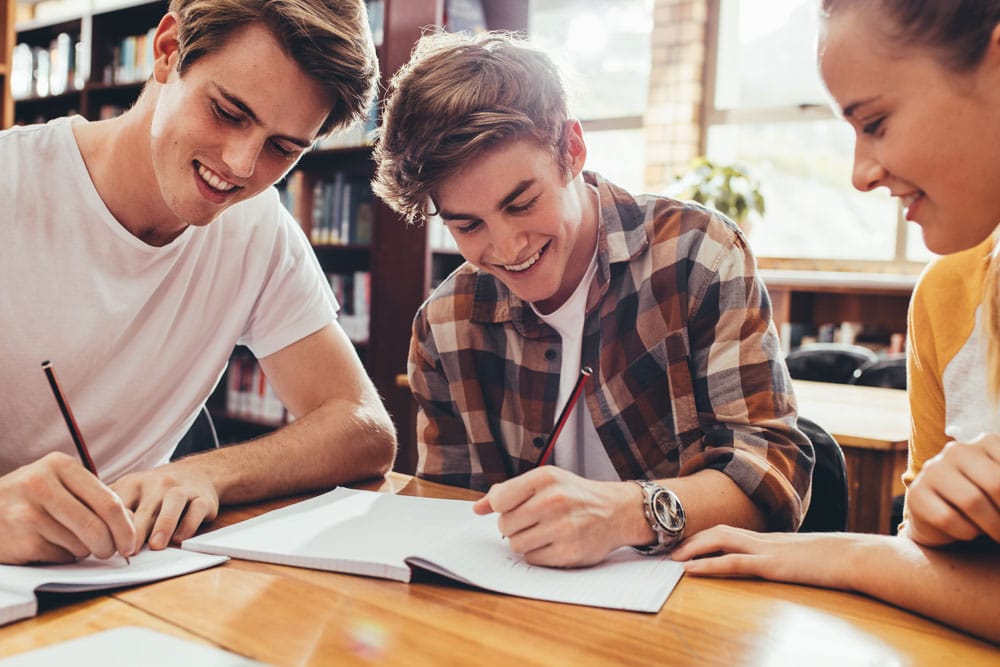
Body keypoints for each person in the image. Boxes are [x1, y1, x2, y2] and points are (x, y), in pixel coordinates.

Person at [371, 31, 814, 569]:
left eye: (523, 202)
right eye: (468, 226)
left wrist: (628, 513)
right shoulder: (445, 325)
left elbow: (774, 478)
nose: (507, 248)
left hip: (689, 611)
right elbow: (449, 515)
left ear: (573, 150)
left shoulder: (696, 256)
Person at [0, 0, 397, 565]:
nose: (241, 165)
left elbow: (363, 428)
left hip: (130, 576)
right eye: (228, 112)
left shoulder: (257, 232)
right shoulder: (11, 182)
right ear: (167, 51)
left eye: (282, 148)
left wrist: (210, 472)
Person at [672, 0, 1000, 644]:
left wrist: (848, 557)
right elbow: (933, 564)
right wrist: (933, 530)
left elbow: (912, 571)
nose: (860, 174)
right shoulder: (949, 296)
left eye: (875, 122)